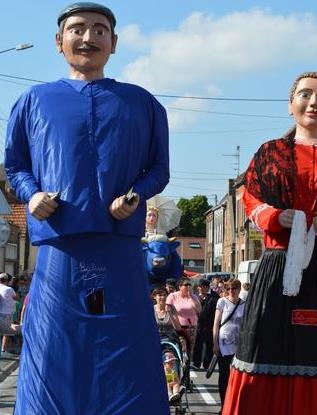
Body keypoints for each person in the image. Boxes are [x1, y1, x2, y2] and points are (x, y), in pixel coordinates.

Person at [5, 3, 170, 414]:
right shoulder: (33, 101)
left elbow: (159, 168)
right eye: (78, 29)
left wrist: (134, 195)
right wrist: (32, 194)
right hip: (61, 249)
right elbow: (16, 163)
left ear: (113, 44)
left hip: (120, 248)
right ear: (59, 42)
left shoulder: (141, 102)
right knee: (53, 351)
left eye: (100, 30)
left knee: (128, 352)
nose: (88, 38)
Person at [223, 72, 317, 415]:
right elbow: (251, 201)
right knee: (266, 351)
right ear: (290, 105)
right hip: (277, 267)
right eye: (305, 95)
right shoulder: (268, 153)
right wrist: (276, 218)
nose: (314, 103)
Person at [213, 278, 245, 412]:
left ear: (239, 289)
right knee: (224, 376)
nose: (231, 291)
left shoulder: (244, 304)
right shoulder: (222, 302)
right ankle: (223, 406)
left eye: (234, 288)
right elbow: (216, 324)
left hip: (239, 345)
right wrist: (215, 343)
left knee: (237, 377)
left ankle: (234, 404)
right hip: (223, 343)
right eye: (229, 289)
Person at [193, 278, 219, 369]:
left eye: (201, 287)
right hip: (198, 324)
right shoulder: (195, 296)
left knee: (209, 345)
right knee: (197, 344)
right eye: (199, 287)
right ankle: (196, 363)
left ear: (206, 287)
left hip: (210, 324)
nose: (199, 288)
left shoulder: (215, 296)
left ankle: (207, 364)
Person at [0, 273, 20, 339]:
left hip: (1, 311)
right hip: (7, 313)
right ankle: (3, 349)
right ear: (6, 280)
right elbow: (16, 298)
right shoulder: (9, 289)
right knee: (6, 333)